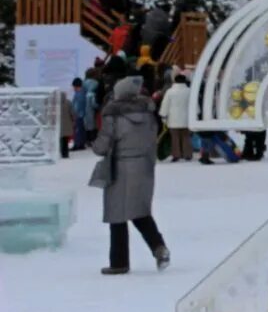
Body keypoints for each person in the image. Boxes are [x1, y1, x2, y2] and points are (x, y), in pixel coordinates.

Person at [90, 74, 170, 275]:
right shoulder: (149, 114)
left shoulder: (114, 116)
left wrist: (95, 143)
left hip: (119, 168)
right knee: (140, 212)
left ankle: (119, 262)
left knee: (117, 216)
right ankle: (159, 247)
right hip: (144, 167)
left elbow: (102, 146)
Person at [159, 74, 193, 162]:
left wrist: (163, 115)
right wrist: (196, 114)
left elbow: (165, 104)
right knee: (186, 137)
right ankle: (187, 154)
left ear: (175, 81)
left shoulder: (170, 91)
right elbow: (194, 105)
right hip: (187, 118)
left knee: (175, 137)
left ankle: (176, 155)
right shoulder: (189, 91)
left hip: (173, 119)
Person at [57, 80, 76, 157]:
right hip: (67, 124)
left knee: (60, 140)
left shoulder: (56, 104)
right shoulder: (68, 102)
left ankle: (61, 152)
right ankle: (66, 153)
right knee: (65, 140)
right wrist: (73, 120)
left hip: (59, 125)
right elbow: (73, 113)